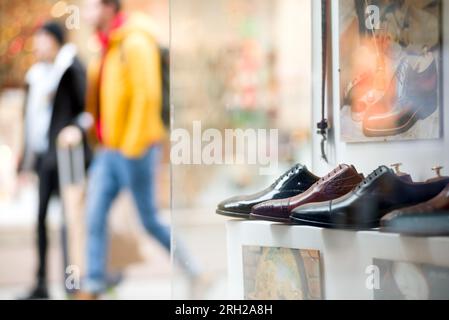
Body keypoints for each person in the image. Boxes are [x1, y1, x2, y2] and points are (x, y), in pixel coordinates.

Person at [79, 0, 203, 298]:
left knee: (149, 221)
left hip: (134, 149)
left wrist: (132, 146)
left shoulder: (134, 41)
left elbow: (146, 96)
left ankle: (194, 271)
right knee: (94, 215)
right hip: (109, 150)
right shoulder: (108, 45)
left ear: (108, 7)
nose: (85, 11)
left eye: (90, 5)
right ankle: (94, 283)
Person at [18, 21, 88, 299]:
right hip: (44, 159)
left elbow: (85, 113)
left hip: (67, 157)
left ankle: (73, 284)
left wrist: (75, 130)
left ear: (56, 40)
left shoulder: (71, 68)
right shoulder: (35, 75)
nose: (38, 44)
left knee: (70, 221)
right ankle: (41, 283)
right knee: (41, 219)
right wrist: (24, 162)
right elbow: (30, 122)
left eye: (44, 38)